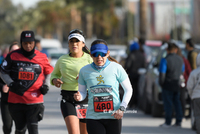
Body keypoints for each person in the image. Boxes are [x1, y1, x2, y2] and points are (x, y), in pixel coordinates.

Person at [74, 39, 133, 134]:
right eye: (95, 54)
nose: (99, 57)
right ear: (90, 55)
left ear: (108, 53)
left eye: (102, 54)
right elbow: (82, 92)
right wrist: (79, 96)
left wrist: (122, 108)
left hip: (113, 116)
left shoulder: (116, 68)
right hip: (93, 117)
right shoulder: (84, 71)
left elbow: (128, 90)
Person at [0, 30, 54, 134]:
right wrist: (11, 83)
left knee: (33, 129)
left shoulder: (42, 56)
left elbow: (49, 72)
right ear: (21, 43)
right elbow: (3, 72)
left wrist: (46, 85)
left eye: (30, 43)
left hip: (35, 101)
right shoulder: (12, 56)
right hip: (16, 101)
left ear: (34, 43)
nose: (28, 46)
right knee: (20, 130)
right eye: (25, 43)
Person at [50, 29, 92, 134]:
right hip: (68, 98)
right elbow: (54, 74)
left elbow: (98, 76)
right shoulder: (62, 60)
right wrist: (55, 80)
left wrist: (85, 77)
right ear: (68, 44)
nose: (74, 44)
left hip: (86, 99)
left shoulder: (90, 59)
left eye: (77, 41)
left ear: (83, 44)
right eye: (71, 42)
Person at [159, 42, 185, 128]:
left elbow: (162, 74)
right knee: (177, 103)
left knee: (168, 104)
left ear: (167, 50)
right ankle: (179, 121)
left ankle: (168, 122)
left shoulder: (165, 59)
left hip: (167, 84)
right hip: (177, 84)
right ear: (176, 50)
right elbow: (182, 72)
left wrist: (162, 84)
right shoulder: (181, 59)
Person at [0, 42, 20, 134]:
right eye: (12, 50)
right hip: (6, 100)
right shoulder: (4, 65)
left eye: (17, 50)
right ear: (9, 52)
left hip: (21, 101)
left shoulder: (24, 65)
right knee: (7, 126)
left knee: (20, 127)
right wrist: (3, 86)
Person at [124, 42, 146, 108]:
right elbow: (144, 66)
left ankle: (132, 103)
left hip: (131, 75)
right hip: (140, 76)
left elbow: (127, 65)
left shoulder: (131, 55)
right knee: (139, 89)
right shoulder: (142, 55)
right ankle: (138, 103)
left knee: (131, 89)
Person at [175, 45, 192, 117]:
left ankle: (179, 114)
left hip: (175, 81)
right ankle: (182, 113)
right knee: (182, 98)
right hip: (183, 82)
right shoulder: (184, 60)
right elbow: (189, 71)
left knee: (177, 98)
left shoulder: (178, 60)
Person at [187, 53, 200, 134]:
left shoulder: (194, 73)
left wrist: (192, 95)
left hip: (196, 97)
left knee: (198, 116)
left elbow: (189, 86)